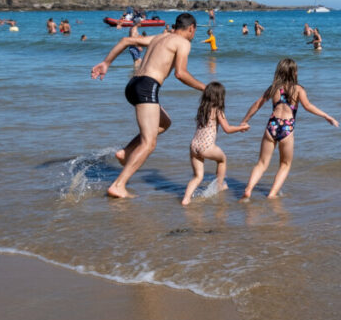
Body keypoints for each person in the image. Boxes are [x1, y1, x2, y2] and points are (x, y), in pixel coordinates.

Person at [90, 12, 206, 199]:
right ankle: (118, 185)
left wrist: (106, 62)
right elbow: (181, 74)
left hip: (132, 85)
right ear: (191, 28)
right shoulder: (183, 43)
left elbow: (126, 41)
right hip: (147, 87)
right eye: (194, 31)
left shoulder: (160, 37)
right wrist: (205, 88)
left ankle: (126, 152)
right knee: (149, 143)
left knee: (164, 123)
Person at [239, 58, 338, 199]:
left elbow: (257, 104)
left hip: (272, 125)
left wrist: (244, 121)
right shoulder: (298, 89)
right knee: (285, 164)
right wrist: (327, 116)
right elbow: (308, 106)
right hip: (287, 127)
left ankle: (248, 189)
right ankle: (272, 194)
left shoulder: (274, 88)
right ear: (294, 72)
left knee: (261, 163)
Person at [181, 82, 250, 205]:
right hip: (206, 146)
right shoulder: (218, 111)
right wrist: (241, 128)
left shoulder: (202, 109)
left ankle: (186, 199)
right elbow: (227, 129)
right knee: (222, 159)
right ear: (220, 97)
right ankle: (219, 185)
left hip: (194, 145)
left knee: (197, 177)